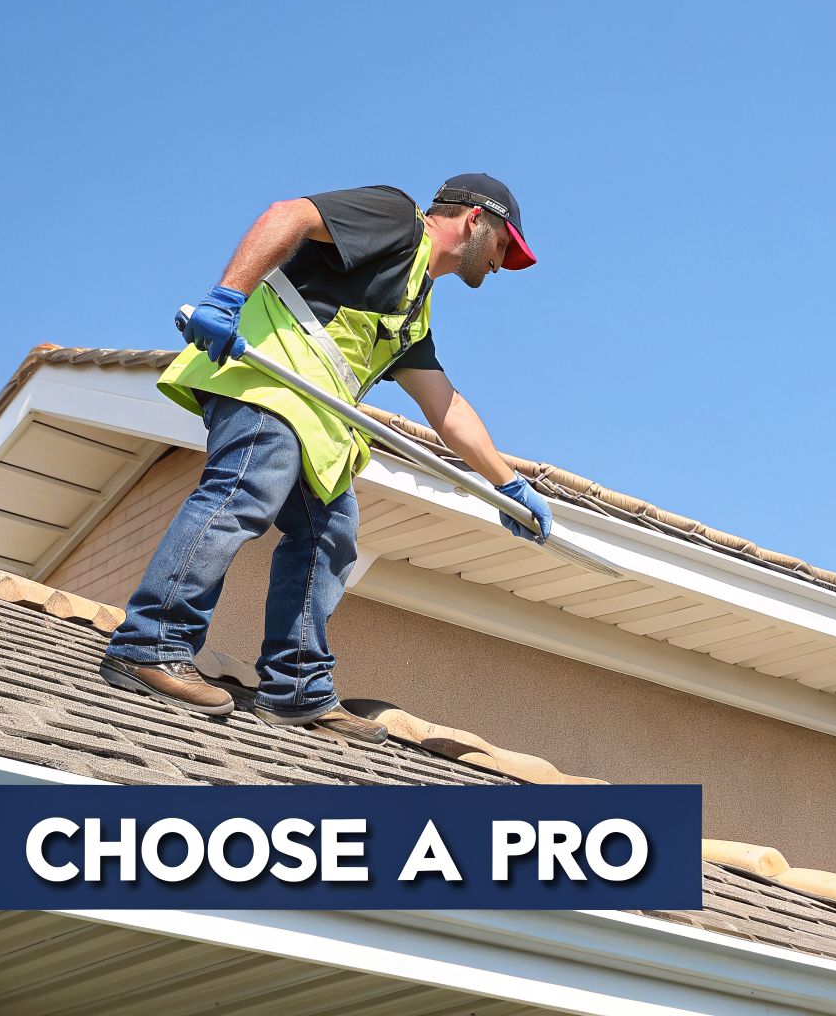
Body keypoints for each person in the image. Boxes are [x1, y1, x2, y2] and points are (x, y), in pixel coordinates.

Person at [99, 175, 557, 744]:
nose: (499, 263)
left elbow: (446, 405)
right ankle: (151, 645)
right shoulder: (394, 220)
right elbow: (286, 215)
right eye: (503, 246)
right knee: (244, 494)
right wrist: (227, 297)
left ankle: (296, 690)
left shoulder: (413, 309)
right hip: (265, 380)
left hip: (313, 421)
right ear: (473, 220)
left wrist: (507, 486)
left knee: (330, 533)